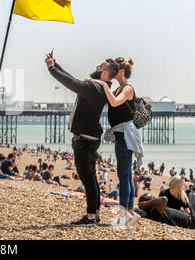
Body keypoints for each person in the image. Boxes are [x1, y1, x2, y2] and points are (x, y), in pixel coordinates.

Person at [45, 52, 119, 226]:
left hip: (85, 141)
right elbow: (74, 80)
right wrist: (56, 65)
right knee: (91, 178)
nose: (96, 67)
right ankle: (95, 214)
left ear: (106, 73)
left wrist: (51, 69)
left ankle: (91, 216)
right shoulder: (100, 88)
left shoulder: (95, 88)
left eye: (100, 67)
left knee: (88, 179)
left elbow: (71, 83)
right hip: (89, 139)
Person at [91, 57, 143, 227]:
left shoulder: (127, 89)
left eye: (115, 69)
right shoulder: (119, 88)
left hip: (125, 135)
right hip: (122, 134)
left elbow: (113, 102)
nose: (112, 71)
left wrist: (105, 85)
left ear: (121, 71)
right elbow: (106, 102)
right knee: (125, 173)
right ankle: (129, 213)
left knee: (124, 174)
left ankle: (125, 215)